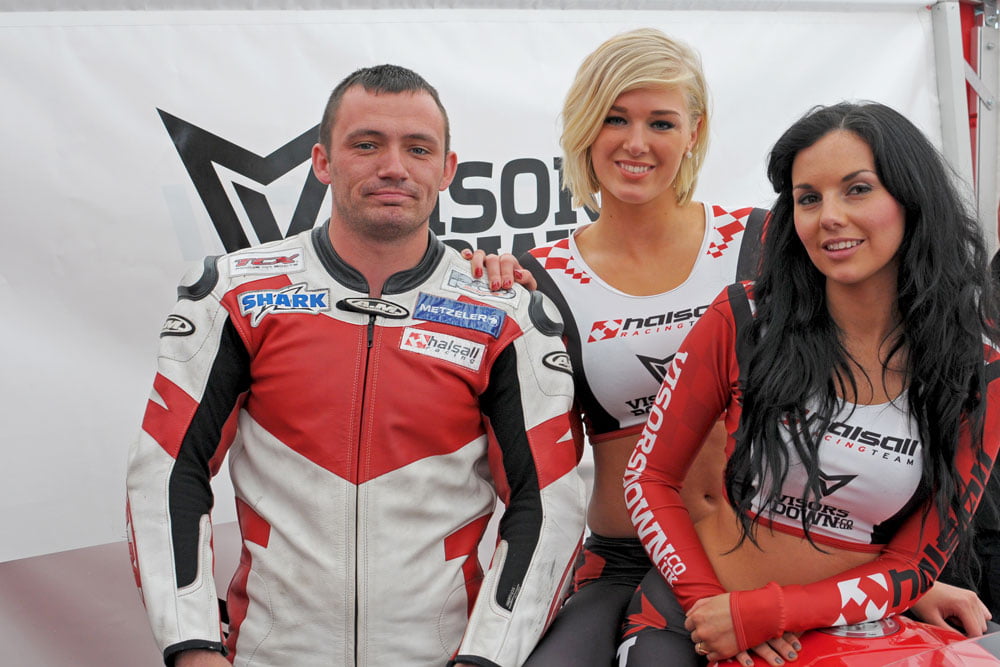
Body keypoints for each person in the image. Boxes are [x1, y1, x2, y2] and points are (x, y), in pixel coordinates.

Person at [125, 64, 585, 667]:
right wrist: (192, 646)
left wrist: (489, 658)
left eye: (417, 148)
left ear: (447, 170)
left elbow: (550, 501)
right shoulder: (234, 294)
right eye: (366, 144)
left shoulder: (507, 312)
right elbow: (167, 472)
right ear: (323, 162)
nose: (393, 166)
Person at [619, 101, 1000, 666]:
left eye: (858, 190)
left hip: (838, 629)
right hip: (689, 617)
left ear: (911, 199)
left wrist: (770, 614)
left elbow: (915, 563)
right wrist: (713, 606)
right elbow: (648, 479)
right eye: (808, 198)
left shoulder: (978, 368)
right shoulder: (744, 318)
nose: (829, 217)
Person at [468, 29, 767, 666]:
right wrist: (464, 288)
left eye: (661, 121)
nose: (636, 143)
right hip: (620, 561)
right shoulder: (534, 277)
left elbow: (867, 402)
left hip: (758, 550)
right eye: (614, 118)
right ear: (584, 127)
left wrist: (904, 573)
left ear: (694, 131)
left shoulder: (760, 240)